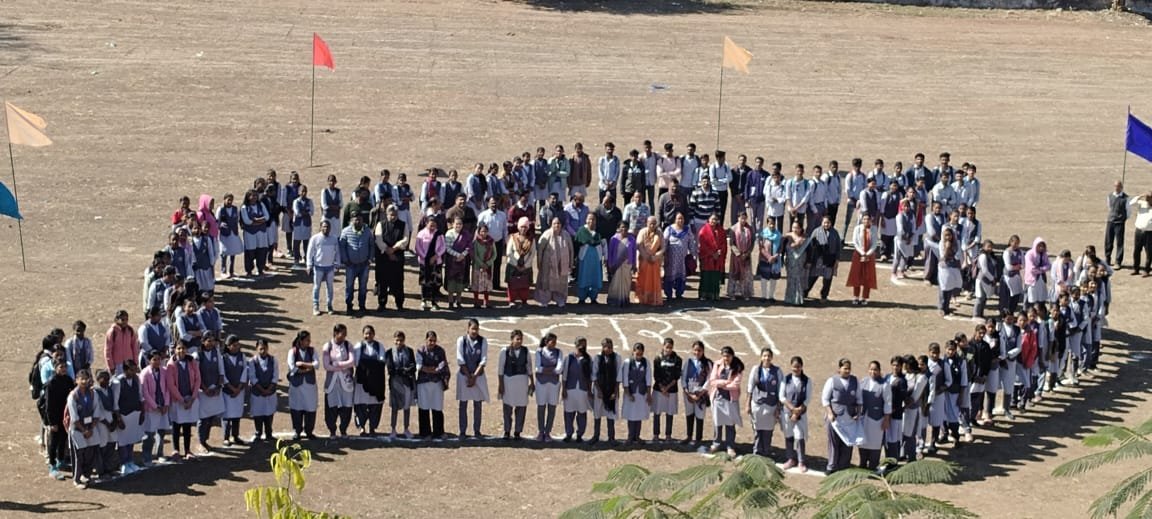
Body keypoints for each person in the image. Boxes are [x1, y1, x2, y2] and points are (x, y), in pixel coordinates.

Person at [822, 358, 861, 473]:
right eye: (845, 368)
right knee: (833, 442)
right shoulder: (832, 381)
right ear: (839, 369)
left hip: (849, 417)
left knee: (848, 442)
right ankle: (832, 466)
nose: (847, 371)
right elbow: (825, 399)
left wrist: (858, 413)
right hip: (835, 417)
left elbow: (859, 399)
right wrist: (829, 413)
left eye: (849, 368)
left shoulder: (855, 381)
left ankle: (844, 465)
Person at [68, 369, 105, 488]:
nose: (84, 381)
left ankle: (86, 475)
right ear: (76, 380)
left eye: (86, 379)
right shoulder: (73, 396)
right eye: (81, 379)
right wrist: (84, 430)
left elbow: (96, 411)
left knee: (90, 453)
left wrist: (91, 428)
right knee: (79, 454)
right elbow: (74, 417)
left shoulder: (93, 394)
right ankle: (77, 479)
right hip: (78, 429)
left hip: (90, 427)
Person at [165, 341, 200, 461]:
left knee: (187, 425)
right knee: (176, 425)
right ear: (175, 350)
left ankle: (187, 450)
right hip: (177, 400)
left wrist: (192, 398)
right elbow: (171, 385)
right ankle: (176, 450)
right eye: (179, 348)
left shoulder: (192, 362)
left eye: (183, 348)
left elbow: (197, 380)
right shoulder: (171, 364)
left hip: (190, 399)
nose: (181, 351)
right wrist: (181, 400)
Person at [455, 319, 489, 440]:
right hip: (464, 376)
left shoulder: (483, 341)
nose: (474, 331)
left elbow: (483, 360)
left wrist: (474, 376)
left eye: (476, 329)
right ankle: (462, 431)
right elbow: (460, 358)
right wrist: (468, 376)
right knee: (463, 404)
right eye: (472, 328)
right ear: (468, 328)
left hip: (478, 376)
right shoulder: (461, 340)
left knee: (477, 404)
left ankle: (477, 430)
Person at [707, 346, 744, 456]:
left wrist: (722, 385)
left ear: (732, 356)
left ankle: (730, 445)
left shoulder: (737, 367)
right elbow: (712, 381)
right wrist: (725, 382)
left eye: (728, 356)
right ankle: (716, 443)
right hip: (718, 398)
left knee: (730, 423)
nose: (726, 358)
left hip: (730, 399)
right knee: (717, 422)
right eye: (724, 356)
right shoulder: (717, 364)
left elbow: (735, 385)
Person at [498, 330, 534, 441]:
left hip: (522, 381)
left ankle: (518, 431)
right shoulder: (505, 351)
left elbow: (529, 366)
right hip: (508, 381)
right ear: (512, 339)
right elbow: (500, 369)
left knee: (521, 407)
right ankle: (507, 431)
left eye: (521, 339)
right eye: (517, 339)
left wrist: (532, 382)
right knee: (507, 407)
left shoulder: (526, 351)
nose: (519, 341)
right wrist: (501, 384)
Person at [351, 326, 386, 436]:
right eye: (366, 333)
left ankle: (372, 427)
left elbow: (382, 361)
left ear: (374, 334)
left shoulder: (379, 346)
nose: (368, 336)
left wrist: (367, 364)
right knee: (361, 404)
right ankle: (362, 427)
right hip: (362, 381)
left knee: (375, 405)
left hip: (376, 381)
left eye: (370, 333)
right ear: (363, 334)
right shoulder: (358, 346)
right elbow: (356, 363)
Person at [415, 331, 450, 441]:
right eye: (430, 340)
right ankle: (425, 433)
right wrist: (432, 369)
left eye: (434, 340)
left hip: (436, 383)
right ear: (426, 340)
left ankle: (438, 432)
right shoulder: (420, 351)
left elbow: (442, 365)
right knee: (424, 407)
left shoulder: (440, 351)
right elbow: (419, 366)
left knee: (437, 407)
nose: (432, 343)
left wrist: (433, 370)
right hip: (423, 383)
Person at [747, 348, 782, 458]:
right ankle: (757, 452)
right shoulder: (756, 370)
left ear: (772, 357)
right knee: (757, 429)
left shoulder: (777, 371)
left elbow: (781, 390)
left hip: (771, 405)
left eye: (768, 356)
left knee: (768, 430)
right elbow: (750, 387)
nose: (766, 358)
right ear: (761, 357)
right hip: (757, 403)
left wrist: (778, 407)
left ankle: (766, 451)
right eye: (764, 356)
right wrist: (747, 404)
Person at [780, 355, 812, 472]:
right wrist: (792, 409)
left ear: (801, 367)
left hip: (800, 414)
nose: (796, 369)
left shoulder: (807, 381)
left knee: (799, 437)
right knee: (788, 436)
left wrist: (798, 411)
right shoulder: (786, 379)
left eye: (798, 367)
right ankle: (790, 459)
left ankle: (801, 461)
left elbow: (807, 399)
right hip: (787, 412)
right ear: (791, 367)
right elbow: (782, 396)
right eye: (794, 367)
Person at [859, 360, 892, 471]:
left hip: (877, 419)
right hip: (864, 418)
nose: (873, 372)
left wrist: (886, 419)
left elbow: (888, 403)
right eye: (871, 369)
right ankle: (862, 464)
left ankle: (873, 465)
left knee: (875, 443)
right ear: (868, 370)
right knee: (863, 442)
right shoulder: (863, 382)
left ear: (879, 371)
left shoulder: (884, 385)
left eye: (875, 370)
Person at [112, 360, 144, 474]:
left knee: (131, 438)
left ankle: (130, 461)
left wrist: (142, 412)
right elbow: (115, 402)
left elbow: (141, 396)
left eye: (135, 369)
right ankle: (124, 463)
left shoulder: (137, 379)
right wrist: (119, 418)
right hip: (123, 414)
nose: (134, 371)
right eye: (132, 369)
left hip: (135, 412)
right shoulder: (118, 382)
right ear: (125, 370)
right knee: (123, 441)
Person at [195, 333, 226, 452]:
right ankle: (200, 441)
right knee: (203, 418)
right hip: (203, 391)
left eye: (213, 341)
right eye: (208, 341)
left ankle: (205, 440)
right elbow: (196, 374)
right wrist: (204, 388)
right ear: (203, 342)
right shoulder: (198, 355)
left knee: (212, 416)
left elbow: (221, 369)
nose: (211, 343)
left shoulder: (216, 352)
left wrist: (219, 386)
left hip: (214, 389)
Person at [44, 360, 75, 480]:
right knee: (54, 442)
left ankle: (60, 460)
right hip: (55, 417)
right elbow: (48, 405)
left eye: (65, 367)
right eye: (61, 367)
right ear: (55, 368)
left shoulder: (67, 380)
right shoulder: (51, 383)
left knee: (63, 439)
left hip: (65, 416)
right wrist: (52, 422)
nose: (63, 369)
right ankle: (52, 466)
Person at [374, 205, 408, 311]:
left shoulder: (403, 225)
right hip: (383, 258)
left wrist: (394, 248)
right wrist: (387, 250)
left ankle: (399, 304)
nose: (392, 217)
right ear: (387, 214)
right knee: (382, 282)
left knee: (398, 281)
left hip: (397, 257)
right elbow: (378, 239)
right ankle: (382, 304)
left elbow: (405, 239)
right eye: (390, 214)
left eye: (394, 215)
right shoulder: (380, 224)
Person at [139, 351, 170, 465]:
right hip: (151, 408)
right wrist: (156, 406)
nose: (157, 362)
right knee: (149, 434)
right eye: (154, 359)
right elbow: (145, 393)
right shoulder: (145, 374)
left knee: (161, 431)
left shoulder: (164, 371)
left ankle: (159, 453)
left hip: (163, 406)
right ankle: (146, 456)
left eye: (158, 359)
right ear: (149, 360)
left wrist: (166, 404)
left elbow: (167, 388)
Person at [287, 331, 319, 440]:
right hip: (297, 386)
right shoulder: (292, 352)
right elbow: (293, 368)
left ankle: (309, 431)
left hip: (309, 385)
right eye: (307, 340)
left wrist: (302, 365)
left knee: (310, 407)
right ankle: (297, 431)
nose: (309, 342)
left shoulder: (312, 351)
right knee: (296, 407)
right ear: (301, 341)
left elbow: (317, 364)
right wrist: (307, 369)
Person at [384, 331, 416, 440]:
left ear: (404, 340)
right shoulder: (389, 353)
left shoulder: (410, 351)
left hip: (407, 383)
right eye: (397, 340)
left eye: (401, 340)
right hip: (395, 383)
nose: (399, 342)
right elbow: (390, 369)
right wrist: (405, 370)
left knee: (407, 407)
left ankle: (406, 428)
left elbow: (413, 367)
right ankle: (393, 429)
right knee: (395, 407)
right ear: (394, 340)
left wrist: (403, 371)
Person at [560, 337, 593, 442]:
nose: (582, 346)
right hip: (570, 388)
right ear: (576, 345)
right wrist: (564, 389)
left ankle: (580, 434)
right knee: (569, 412)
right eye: (580, 344)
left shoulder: (588, 359)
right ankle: (569, 433)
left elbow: (590, 377)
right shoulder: (569, 358)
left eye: (584, 344)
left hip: (583, 389)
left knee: (582, 413)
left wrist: (589, 390)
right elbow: (564, 375)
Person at [589, 338, 621, 445]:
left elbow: (618, 376)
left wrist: (615, 391)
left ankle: (611, 437)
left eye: (609, 347)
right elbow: (594, 375)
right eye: (605, 347)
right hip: (600, 389)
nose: (607, 349)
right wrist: (598, 390)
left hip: (611, 389)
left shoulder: (617, 357)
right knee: (597, 413)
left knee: (610, 413)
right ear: (602, 347)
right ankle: (596, 436)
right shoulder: (598, 358)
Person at [536, 217, 573, 308]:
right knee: (546, 283)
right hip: (548, 265)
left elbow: (571, 250)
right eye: (555, 223)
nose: (557, 225)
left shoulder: (566, 235)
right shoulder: (546, 234)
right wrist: (539, 262)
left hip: (562, 265)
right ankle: (544, 300)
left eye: (558, 223)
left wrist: (571, 263)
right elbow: (540, 250)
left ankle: (560, 299)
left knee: (560, 284)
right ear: (551, 225)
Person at [218, 335, 248, 446]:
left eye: (238, 345)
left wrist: (239, 387)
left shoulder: (242, 356)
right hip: (227, 391)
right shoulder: (223, 358)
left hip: (239, 391)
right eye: (234, 345)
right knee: (227, 415)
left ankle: (235, 435)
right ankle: (226, 437)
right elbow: (223, 374)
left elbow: (245, 371)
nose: (236, 347)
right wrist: (231, 387)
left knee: (237, 414)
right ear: (228, 346)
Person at [680, 341, 712, 446]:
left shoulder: (707, 363)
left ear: (703, 351)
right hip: (688, 394)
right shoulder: (688, 362)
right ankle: (689, 436)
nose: (697, 352)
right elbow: (683, 378)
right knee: (689, 414)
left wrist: (701, 392)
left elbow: (709, 379)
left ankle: (698, 438)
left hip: (701, 394)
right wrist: (687, 392)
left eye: (699, 350)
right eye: (695, 350)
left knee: (699, 416)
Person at [620, 342, 652, 444]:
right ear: (633, 352)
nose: (639, 356)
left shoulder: (646, 362)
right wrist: (628, 393)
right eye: (637, 353)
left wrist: (648, 393)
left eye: (641, 354)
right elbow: (625, 378)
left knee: (639, 415)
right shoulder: (627, 362)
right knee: (631, 415)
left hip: (641, 393)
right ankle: (630, 436)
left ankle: (637, 436)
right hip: (631, 392)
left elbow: (648, 378)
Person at [306, 220, 340, 316]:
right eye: (324, 226)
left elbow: (337, 252)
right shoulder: (315, 238)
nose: (326, 228)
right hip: (318, 267)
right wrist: (309, 265)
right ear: (320, 227)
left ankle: (329, 305)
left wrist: (337, 264)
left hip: (330, 267)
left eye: (327, 227)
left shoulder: (334, 239)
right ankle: (315, 306)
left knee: (330, 287)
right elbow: (310, 252)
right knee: (317, 287)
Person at [651, 338, 682, 442]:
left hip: (671, 391)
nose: (668, 349)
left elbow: (676, 376)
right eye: (667, 347)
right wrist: (662, 387)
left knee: (670, 413)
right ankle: (656, 435)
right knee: (657, 413)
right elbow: (656, 375)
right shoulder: (657, 358)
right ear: (663, 346)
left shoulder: (678, 359)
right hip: (659, 390)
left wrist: (667, 388)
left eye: (670, 347)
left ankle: (668, 435)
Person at [248, 339, 278, 442]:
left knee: (269, 412)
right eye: (261, 349)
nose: (263, 351)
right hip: (257, 392)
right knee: (258, 413)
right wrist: (262, 390)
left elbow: (275, 376)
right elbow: (252, 378)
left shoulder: (273, 360)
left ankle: (269, 433)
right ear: (257, 349)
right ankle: (258, 432)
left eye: (265, 348)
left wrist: (269, 389)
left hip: (270, 392)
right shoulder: (252, 362)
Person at [534, 333, 563, 441]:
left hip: (554, 384)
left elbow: (559, 369)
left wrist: (546, 369)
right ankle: (541, 431)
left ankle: (548, 432)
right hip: (541, 384)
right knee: (541, 407)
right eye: (552, 341)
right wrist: (552, 370)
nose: (555, 344)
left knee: (552, 408)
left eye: (555, 341)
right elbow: (537, 368)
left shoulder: (559, 352)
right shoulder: (539, 352)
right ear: (547, 342)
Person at [847, 213, 880, 305]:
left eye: (868, 219)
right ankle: (856, 296)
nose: (866, 221)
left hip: (869, 256)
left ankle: (865, 297)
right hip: (858, 255)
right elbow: (855, 242)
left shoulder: (874, 229)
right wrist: (862, 253)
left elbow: (874, 243)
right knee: (856, 275)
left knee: (867, 276)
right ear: (862, 220)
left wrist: (868, 254)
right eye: (864, 219)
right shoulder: (857, 229)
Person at [663, 213, 697, 301]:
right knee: (669, 275)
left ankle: (679, 293)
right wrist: (664, 255)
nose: (680, 220)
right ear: (675, 219)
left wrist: (693, 254)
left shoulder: (687, 230)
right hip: (671, 259)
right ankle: (669, 294)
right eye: (678, 219)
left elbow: (691, 243)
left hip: (682, 259)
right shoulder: (669, 229)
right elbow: (664, 243)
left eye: (682, 219)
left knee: (681, 276)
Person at [807, 216, 841, 303]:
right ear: (821, 223)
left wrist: (837, 260)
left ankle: (824, 295)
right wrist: (810, 260)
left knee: (827, 279)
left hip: (830, 259)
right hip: (818, 258)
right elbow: (810, 246)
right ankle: (805, 291)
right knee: (812, 277)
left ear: (831, 223)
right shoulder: (816, 231)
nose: (826, 224)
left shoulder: (835, 233)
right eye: (824, 222)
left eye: (828, 223)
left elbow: (838, 247)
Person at [924, 343, 951, 455]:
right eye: (932, 353)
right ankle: (920, 443)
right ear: (929, 352)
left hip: (938, 397)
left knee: (936, 421)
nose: (934, 355)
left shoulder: (944, 364)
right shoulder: (924, 364)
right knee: (923, 421)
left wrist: (942, 389)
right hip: (925, 397)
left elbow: (949, 381)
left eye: (936, 353)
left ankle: (933, 443)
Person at [477, 197, 508, 290]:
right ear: (488, 204)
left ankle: (496, 284)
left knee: (497, 263)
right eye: (492, 203)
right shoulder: (483, 215)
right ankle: (485, 285)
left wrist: (505, 242)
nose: (494, 205)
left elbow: (504, 230)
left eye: (495, 203)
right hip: (486, 243)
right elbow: (478, 230)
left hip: (498, 242)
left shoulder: (502, 215)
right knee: (486, 264)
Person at [414, 218, 446, 311]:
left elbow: (443, 246)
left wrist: (436, 256)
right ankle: (424, 300)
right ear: (426, 224)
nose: (432, 227)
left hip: (436, 262)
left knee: (435, 282)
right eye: (430, 225)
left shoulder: (439, 234)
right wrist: (425, 257)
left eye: (434, 225)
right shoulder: (421, 234)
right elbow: (417, 247)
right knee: (424, 281)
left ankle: (434, 301)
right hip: (424, 262)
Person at [443, 217, 473, 309]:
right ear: (453, 224)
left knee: (460, 282)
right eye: (457, 224)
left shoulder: (466, 234)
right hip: (452, 261)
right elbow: (447, 248)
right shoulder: (449, 234)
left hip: (462, 261)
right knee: (451, 281)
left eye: (460, 224)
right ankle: (451, 302)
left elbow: (469, 246)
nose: (458, 226)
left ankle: (459, 301)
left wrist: (463, 255)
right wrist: (457, 255)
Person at [574, 213, 605, 304]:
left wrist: (605, 257)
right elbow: (576, 244)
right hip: (584, 258)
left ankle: (593, 297)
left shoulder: (599, 231)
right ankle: (582, 297)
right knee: (583, 276)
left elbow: (604, 244)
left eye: (593, 219)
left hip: (596, 258)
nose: (591, 221)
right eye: (589, 219)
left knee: (595, 277)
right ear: (586, 220)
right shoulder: (581, 231)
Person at [506, 217, 536, 307]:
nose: (523, 229)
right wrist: (516, 265)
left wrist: (525, 265)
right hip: (513, 264)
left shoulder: (531, 239)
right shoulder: (513, 237)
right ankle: (512, 301)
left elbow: (532, 253)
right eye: (522, 226)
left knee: (525, 284)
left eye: (525, 227)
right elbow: (509, 252)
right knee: (512, 284)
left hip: (526, 266)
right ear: (518, 227)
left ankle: (524, 301)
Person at [240, 190, 271, 277]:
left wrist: (255, 221)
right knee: (250, 251)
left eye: (255, 196)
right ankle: (249, 271)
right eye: (252, 196)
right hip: (250, 233)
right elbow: (247, 221)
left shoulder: (261, 205)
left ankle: (260, 269)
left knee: (262, 251)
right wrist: (260, 221)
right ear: (248, 197)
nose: (254, 198)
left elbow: (267, 217)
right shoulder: (244, 207)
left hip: (261, 233)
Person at [782, 221, 813, 306]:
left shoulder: (805, 238)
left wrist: (809, 261)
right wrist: (782, 259)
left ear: (801, 229)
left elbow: (809, 250)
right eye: (793, 227)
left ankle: (798, 299)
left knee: (799, 280)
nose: (795, 229)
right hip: (790, 262)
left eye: (797, 228)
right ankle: (789, 298)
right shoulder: (787, 238)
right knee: (790, 280)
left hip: (801, 262)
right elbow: (783, 249)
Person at [697, 213, 727, 301]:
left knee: (715, 276)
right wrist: (712, 253)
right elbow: (702, 245)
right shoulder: (703, 231)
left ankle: (715, 294)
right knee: (706, 276)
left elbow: (723, 243)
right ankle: (704, 294)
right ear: (708, 220)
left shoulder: (721, 231)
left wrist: (719, 252)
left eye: (715, 219)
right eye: (712, 219)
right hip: (707, 258)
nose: (714, 221)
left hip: (717, 258)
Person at [635, 216, 664, 306]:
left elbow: (663, 247)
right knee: (642, 279)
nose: (652, 225)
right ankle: (643, 298)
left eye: (654, 224)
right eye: (650, 223)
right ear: (647, 223)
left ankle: (653, 299)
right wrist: (647, 257)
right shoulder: (642, 232)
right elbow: (639, 246)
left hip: (654, 261)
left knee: (654, 280)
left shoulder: (659, 233)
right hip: (643, 259)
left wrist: (655, 256)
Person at [606, 222, 637, 307]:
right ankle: (614, 300)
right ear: (618, 228)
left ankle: (625, 299)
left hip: (627, 265)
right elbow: (610, 253)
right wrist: (610, 264)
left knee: (626, 284)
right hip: (616, 265)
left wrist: (634, 264)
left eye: (626, 227)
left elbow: (634, 253)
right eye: (622, 227)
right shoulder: (614, 239)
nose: (624, 229)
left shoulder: (632, 239)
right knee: (615, 283)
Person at [728, 211, 755, 299]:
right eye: (741, 218)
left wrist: (747, 253)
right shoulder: (733, 229)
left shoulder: (750, 228)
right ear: (738, 218)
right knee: (735, 274)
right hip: (736, 257)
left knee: (745, 275)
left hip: (746, 256)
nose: (743, 220)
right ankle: (733, 293)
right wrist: (739, 254)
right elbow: (731, 243)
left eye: (744, 218)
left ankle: (745, 293)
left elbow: (752, 243)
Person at [215, 194, 242, 278]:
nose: (229, 201)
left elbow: (237, 219)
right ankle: (223, 271)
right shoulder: (220, 209)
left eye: (231, 200)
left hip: (233, 233)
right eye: (228, 200)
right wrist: (221, 226)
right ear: (224, 199)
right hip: (224, 234)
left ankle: (231, 271)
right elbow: (217, 221)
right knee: (224, 253)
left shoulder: (235, 209)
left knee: (232, 252)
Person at [757, 216, 783, 302]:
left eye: (773, 224)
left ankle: (771, 296)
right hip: (765, 259)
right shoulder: (763, 234)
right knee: (764, 279)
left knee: (773, 279)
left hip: (775, 260)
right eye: (770, 223)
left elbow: (780, 248)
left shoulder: (779, 235)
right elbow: (761, 248)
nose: (772, 225)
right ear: (767, 223)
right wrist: (769, 257)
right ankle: (763, 296)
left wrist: (775, 256)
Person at [938, 227, 963, 316]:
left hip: (954, 267)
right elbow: (943, 257)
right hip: (944, 268)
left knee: (951, 287)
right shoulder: (941, 243)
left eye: (949, 235)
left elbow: (958, 254)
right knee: (944, 288)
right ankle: (941, 308)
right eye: (946, 235)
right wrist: (947, 248)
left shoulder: (956, 243)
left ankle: (947, 307)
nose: (948, 237)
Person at [973, 240, 999, 319]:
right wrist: (992, 279)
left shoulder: (990, 256)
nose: (990, 248)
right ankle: (976, 314)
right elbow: (984, 270)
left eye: (991, 247)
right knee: (980, 298)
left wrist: (994, 278)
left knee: (984, 298)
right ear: (984, 247)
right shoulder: (983, 256)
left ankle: (981, 314)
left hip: (988, 280)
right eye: (988, 246)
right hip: (982, 280)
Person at [1105, 180, 1129, 268]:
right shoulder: (1110, 196)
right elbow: (1109, 207)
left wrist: (1122, 218)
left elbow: (1128, 211)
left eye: (1118, 186)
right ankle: (1107, 259)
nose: (1117, 188)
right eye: (1115, 186)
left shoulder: (1125, 198)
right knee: (1108, 241)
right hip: (1110, 221)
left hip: (1119, 223)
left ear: (1121, 187)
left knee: (1119, 243)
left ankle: (1118, 261)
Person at [1001, 235, 1025, 314]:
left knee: (1016, 296)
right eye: (1015, 243)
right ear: (1011, 242)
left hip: (1016, 276)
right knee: (1007, 297)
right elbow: (1008, 267)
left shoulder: (1020, 252)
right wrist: (1017, 266)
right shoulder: (1007, 252)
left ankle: (1012, 311)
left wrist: (1016, 267)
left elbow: (1023, 265)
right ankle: (1005, 313)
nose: (1016, 245)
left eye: (1018, 243)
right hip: (1008, 277)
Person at [1024, 237, 1051, 309]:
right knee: (1030, 300)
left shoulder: (1044, 254)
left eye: (1042, 246)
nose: (1041, 248)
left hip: (1041, 279)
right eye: (1039, 246)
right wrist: (1042, 269)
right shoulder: (1029, 254)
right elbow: (1032, 269)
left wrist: (1040, 269)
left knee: (1041, 298)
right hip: (1032, 280)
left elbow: (1048, 265)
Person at [291, 185, 314, 268]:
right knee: (296, 243)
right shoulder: (296, 201)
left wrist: (304, 212)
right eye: (301, 191)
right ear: (298, 192)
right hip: (298, 225)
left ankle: (306, 259)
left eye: (305, 191)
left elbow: (312, 212)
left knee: (306, 243)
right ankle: (296, 260)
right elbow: (297, 213)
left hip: (307, 224)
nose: (303, 193)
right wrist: (306, 212)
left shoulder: (309, 201)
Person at [1131, 190, 1152, 276]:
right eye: (1147, 198)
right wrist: (1141, 195)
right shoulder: (1142, 204)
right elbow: (1131, 203)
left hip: (1150, 233)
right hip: (1139, 231)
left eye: (1149, 198)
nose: (1148, 200)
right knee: (1136, 251)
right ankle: (1136, 268)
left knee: (1149, 252)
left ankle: (1147, 270)